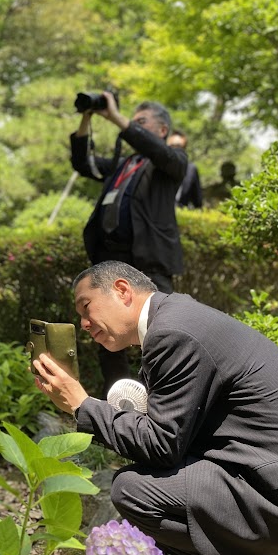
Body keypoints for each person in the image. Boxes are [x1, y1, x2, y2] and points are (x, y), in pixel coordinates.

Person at [32, 260, 278, 555]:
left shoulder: (172, 333)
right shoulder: (179, 318)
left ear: (121, 290)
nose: (84, 324)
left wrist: (80, 403)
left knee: (131, 489)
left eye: (86, 307)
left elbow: (161, 446)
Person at [70, 93, 186, 394]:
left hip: (149, 264)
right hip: (111, 263)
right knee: (106, 337)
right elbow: (84, 163)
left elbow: (160, 154)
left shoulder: (170, 161)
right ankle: (117, 408)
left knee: (161, 333)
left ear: (162, 130)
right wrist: (88, 116)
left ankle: (164, 403)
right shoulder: (124, 164)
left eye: (141, 122)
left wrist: (117, 118)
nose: (132, 126)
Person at [166, 130, 202, 209]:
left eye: (178, 147)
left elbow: (197, 200)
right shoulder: (157, 166)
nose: (175, 150)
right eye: (172, 146)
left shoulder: (190, 169)